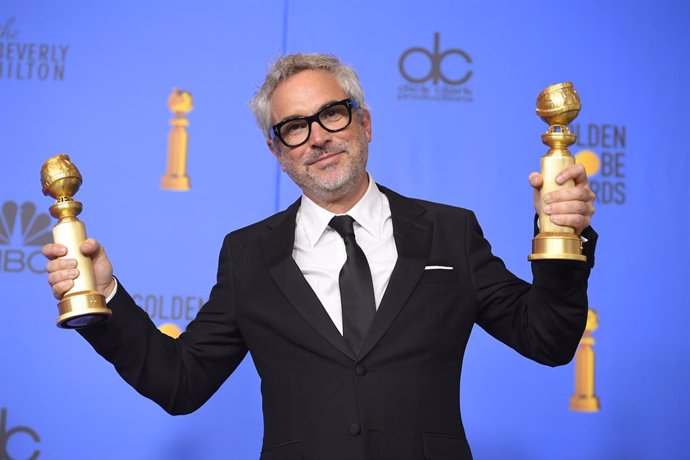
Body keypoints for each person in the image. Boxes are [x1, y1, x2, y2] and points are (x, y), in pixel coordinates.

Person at [43, 53, 596, 460]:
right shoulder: (248, 254)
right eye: (293, 127)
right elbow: (180, 383)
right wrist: (105, 298)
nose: (317, 138)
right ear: (277, 151)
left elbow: (546, 339)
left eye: (332, 115)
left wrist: (563, 237)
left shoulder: (450, 231)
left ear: (365, 123)